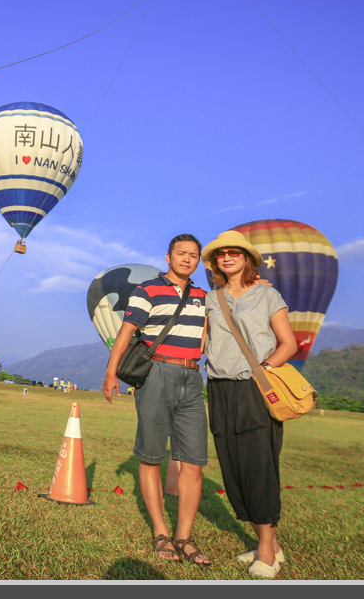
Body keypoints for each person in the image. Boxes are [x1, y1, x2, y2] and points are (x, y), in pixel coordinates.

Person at [102, 233, 211, 566]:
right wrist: (110, 373)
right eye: (181, 253)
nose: (187, 259)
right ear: (168, 257)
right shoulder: (147, 289)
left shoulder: (205, 296)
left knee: (193, 462)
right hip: (157, 375)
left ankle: (184, 537)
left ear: (198, 261)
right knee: (151, 457)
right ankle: (161, 532)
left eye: (194, 255)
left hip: (193, 378)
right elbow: (125, 332)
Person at [200, 230, 298, 579]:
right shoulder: (211, 299)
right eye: (221, 254)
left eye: (234, 253)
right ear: (215, 263)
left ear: (247, 259)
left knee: (259, 466)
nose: (227, 258)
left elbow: (288, 344)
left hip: (255, 388)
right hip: (219, 389)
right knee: (234, 469)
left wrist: (263, 372)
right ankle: (266, 542)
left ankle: (268, 553)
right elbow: (202, 342)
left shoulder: (268, 294)